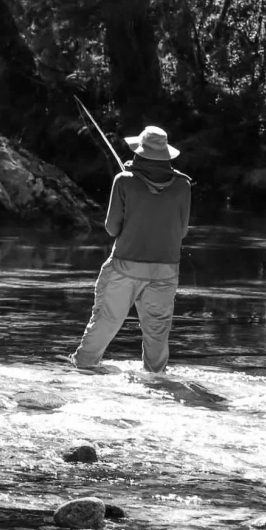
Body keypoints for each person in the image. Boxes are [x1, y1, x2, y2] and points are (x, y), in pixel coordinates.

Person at [68, 125, 191, 374]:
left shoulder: (123, 181)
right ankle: (156, 379)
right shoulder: (183, 186)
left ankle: (81, 370)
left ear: (140, 153)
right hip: (166, 271)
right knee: (157, 333)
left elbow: (111, 228)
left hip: (125, 265)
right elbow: (182, 232)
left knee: (106, 321)